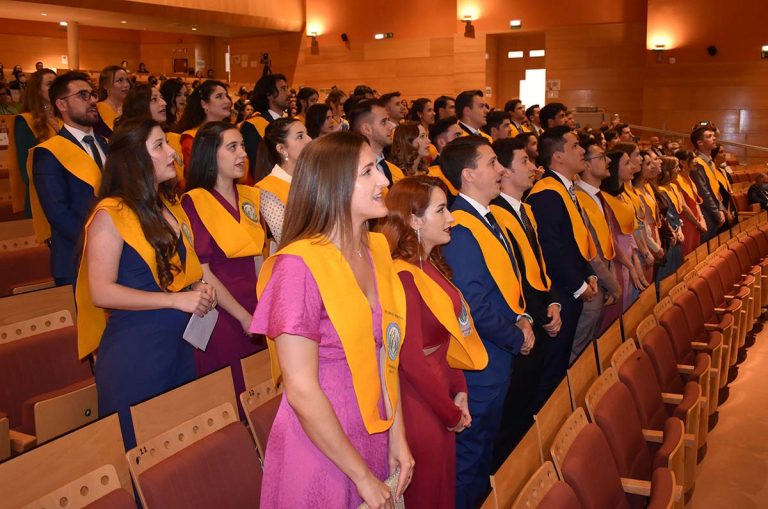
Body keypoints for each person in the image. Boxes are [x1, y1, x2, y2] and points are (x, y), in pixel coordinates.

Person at [250, 131, 414, 508]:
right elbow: (302, 389)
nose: (384, 181)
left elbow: (386, 353)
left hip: (374, 427)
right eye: (368, 171)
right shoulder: (298, 265)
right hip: (322, 442)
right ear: (333, 185)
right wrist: (361, 477)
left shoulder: (376, 248)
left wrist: (397, 435)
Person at [75, 118, 216, 449]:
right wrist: (175, 301)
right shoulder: (111, 213)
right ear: (134, 159)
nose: (172, 153)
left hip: (178, 347)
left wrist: (194, 289)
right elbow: (101, 291)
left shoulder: (166, 206)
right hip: (137, 352)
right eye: (159, 146)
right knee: (141, 452)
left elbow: (172, 275)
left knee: (179, 449)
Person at [378, 175, 486, 508]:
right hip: (419, 404)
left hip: (441, 392)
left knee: (442, 491)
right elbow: (411, 360)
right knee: (428, 495)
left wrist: (461, 390)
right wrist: (449, 410)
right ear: (413, 220)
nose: (451, 217)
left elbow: (448, 335)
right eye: (441, 210)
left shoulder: (429, 264)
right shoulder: (403, 275)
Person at [440, 136, 532, 509]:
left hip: (498, 356)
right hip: (482, 363)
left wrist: (523, 316)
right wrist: (516, 336)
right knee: (470, 459)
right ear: (468, 174)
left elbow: (505, 282)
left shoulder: (486, 218)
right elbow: (473, 303)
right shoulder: (461, 228)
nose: (501, 170)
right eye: (493, 163)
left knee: (483, 454)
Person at [182, 121, 266, 416]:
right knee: (232, 396)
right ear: (209, 154)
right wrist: (244, 316)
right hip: (222, 312)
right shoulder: (196, 201)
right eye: (232, 147)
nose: (243, 154)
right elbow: (202, 270)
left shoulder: (250, 197)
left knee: (262, 390)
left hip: (257, 304)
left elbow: (259, 256)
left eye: (243, 146)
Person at [490, 137, 562, 457]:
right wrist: (538, 314)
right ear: (503, 171)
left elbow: (540, 265)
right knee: (515, 408)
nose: (533, 168)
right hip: (523, 321)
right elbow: (514, 277)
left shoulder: (526, 211)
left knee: (532, 397)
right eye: (524, 162)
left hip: (541, 311)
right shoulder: (496, 216)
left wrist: (555, 303)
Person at [526, 126, 597, 407]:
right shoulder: (545, 193)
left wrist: (588, 273)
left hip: (572, 290)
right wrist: (579, 286)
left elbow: (577, 238)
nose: (582, 152)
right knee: (553, 366)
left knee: (562, 362)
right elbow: (552, 247)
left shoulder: (564, 189)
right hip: (559, 293)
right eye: (576, 146)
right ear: (558, 156)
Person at [30, 71, 108, 286]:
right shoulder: (49, 153)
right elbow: (58, 212)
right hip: (75, 258)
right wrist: (100, 242)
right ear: (62, 105)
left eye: (92, 94)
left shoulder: (107, 144)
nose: (92, 100)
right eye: (83, 95)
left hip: (116, 254)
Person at [574, 138, 622, 339]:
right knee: (580, 349)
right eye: (601, 157)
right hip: (591, 286)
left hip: (604, 282)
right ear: (586, 164)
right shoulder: (578, 198)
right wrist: (611, 283)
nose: (608, 161)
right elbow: (589, 249)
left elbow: (607, 241)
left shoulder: (599, 196)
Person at [253, 118, 312, 246]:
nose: (309, 140)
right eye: (300, 136)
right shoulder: (268, 188)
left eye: (306, 134)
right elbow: (285, 237)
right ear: (281, 148)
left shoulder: (316, 177)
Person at [601, 151, 646, 313]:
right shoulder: (604, 198)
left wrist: (636, 258)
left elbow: (631, 230)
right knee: (615, 313)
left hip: (629, 256)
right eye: (626, 163)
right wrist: (631, 263)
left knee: (629, 309)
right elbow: (611, 237)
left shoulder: (622, 196)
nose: (632, 167)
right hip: (617, 260)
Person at [11, 68, 58, 218]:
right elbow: (26, 167)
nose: (55, 87)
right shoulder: (26, 121)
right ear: (37, 90)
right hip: (43, 194)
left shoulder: (65, 118)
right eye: (50, 84)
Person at [176, 80, 232, 183]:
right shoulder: (191, 138)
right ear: (204, 104)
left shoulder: (233, 133)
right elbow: (197, 177)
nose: (227, 101)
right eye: (219, 96)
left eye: (226, 96)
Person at [242, 73, 291, 170]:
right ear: (269, 94)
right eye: (283, 89)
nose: (289, 93)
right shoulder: (252, 126)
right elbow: (257, 166)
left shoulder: (290, 122)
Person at [350, 98, 401, 187]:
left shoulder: (391, 168)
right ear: (367, 129)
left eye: (389, 120)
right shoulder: (355, 172)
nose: (391, 126)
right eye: (384, 122)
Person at [690, 126, 726, 241]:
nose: (714, 138)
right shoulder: (697, 163)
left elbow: (715, 189)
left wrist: (720, 209)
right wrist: (717, 213)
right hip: (706, 215)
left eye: (713, 136)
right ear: (700, 142)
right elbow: (703, 193)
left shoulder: (709, 161)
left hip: (714, 213)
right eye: (709, 136)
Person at [673, 149, 707, 256]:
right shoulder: (676, 179)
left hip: (696, 222)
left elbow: (695, 202)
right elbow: (684, 206)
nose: (695, 161)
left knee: (695, 255)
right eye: (692, 158)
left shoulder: (689, 177)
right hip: (687, 222)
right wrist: (698, 223)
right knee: (687, 255)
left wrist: (702, 220)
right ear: (682, 162)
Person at [427, 116, 464, 196]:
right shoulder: (433, 172)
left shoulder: (465, 164)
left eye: (462, 135)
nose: (463, 139)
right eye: (457, 135)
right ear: (441, 142)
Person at [95, 65, 130, 139]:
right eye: (120, 80)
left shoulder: (131, 108)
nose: (126, 85)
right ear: (106, 86)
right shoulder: (98, 109)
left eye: (127, 80)